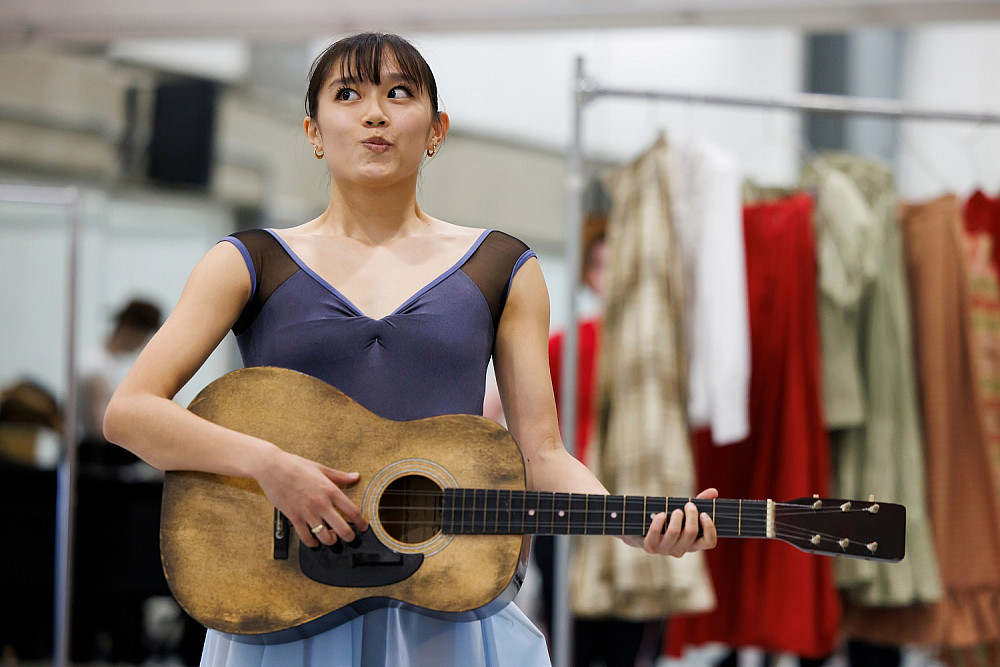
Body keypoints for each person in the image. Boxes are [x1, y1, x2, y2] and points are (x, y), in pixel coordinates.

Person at [103, 32, 718, 667]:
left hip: (445, 609)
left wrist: (630, 523)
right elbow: (130, 412)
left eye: (399, 93)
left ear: (436, 129)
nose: (375, 112)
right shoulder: (244, 262)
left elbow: (541, 453)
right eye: (349, 94)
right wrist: (269, 465)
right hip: (280, 609)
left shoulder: (501, 267)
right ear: (313, 131)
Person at [79, 298, 161, 467]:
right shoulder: (96, 368)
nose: (143, 343)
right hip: (95, 459)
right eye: (144, 336)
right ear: (130, 329)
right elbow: (100, 427)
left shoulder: (107, 363)